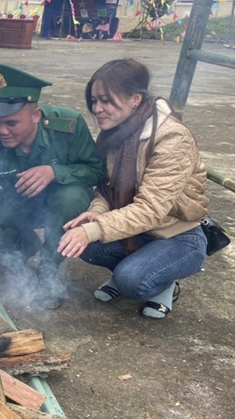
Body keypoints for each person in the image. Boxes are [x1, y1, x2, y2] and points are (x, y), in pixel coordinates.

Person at [58, 59, 209, 319]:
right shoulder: (115, 133)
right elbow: (106, 188)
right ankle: (133, 268)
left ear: (135, 99)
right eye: (94, 100)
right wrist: (96, 212)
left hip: (176, 235)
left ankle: (163, 285)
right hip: (137, 229)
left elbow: (152, 209)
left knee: (133, 281)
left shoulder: (172, 138)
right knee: (86, 244)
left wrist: (93, 230)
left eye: (106, 100)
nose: (97, 109)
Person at [0, 63, 104, 309]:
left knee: (72, 196)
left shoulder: (69, 126)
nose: (2, 130)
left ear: (35, 115)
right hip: (22, 205)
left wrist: (54, 172)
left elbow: (96, 172)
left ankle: (49, 266)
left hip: (64, 207)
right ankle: (16, 258)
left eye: (11, 123)